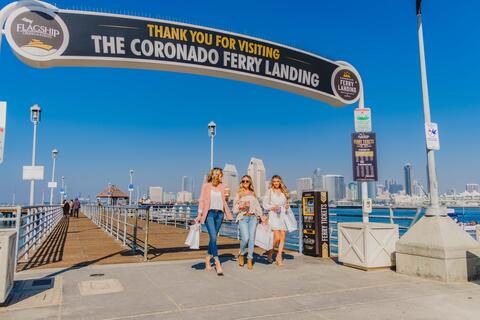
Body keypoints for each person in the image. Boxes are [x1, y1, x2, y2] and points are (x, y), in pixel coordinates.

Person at [195, 167, 233, 276]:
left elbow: (225, 201)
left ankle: (207, 257)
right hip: (209, 214)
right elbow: (202, 200)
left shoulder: (223, 187)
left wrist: (227, 197)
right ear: (216, 175)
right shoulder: (206, 186)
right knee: (214, 237)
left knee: (213, 238)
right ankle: (217, 262)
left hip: (220, 214)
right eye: (221, 175)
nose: (222, 177)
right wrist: (199, 214)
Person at [233, 175, 263, 270]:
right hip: (243, 218)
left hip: (253, 218)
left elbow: (258, 207)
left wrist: (261, 216)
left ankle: (250, 258)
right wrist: (240, 208)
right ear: (241, 183)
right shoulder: (238, 194)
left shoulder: (253, 193)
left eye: (247, 181)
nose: (245, 183)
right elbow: (234, 210)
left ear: (250, 183)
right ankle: (241, 254)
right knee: (245, 238)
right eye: (243, 181)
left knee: (251, 239)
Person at [262, 175, 290, 266]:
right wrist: (273, 207)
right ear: (272, 182)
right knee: (277, 237)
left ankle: (279, 256)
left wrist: (286, 206)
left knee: (283, 237)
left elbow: (286, 203)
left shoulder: (283, 192)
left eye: (277, 181)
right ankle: (270, 252)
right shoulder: (269, 192)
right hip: (273, 215)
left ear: (280, 182)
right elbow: (265, 204)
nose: (276, 183)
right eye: (274, 181)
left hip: (283, 215)